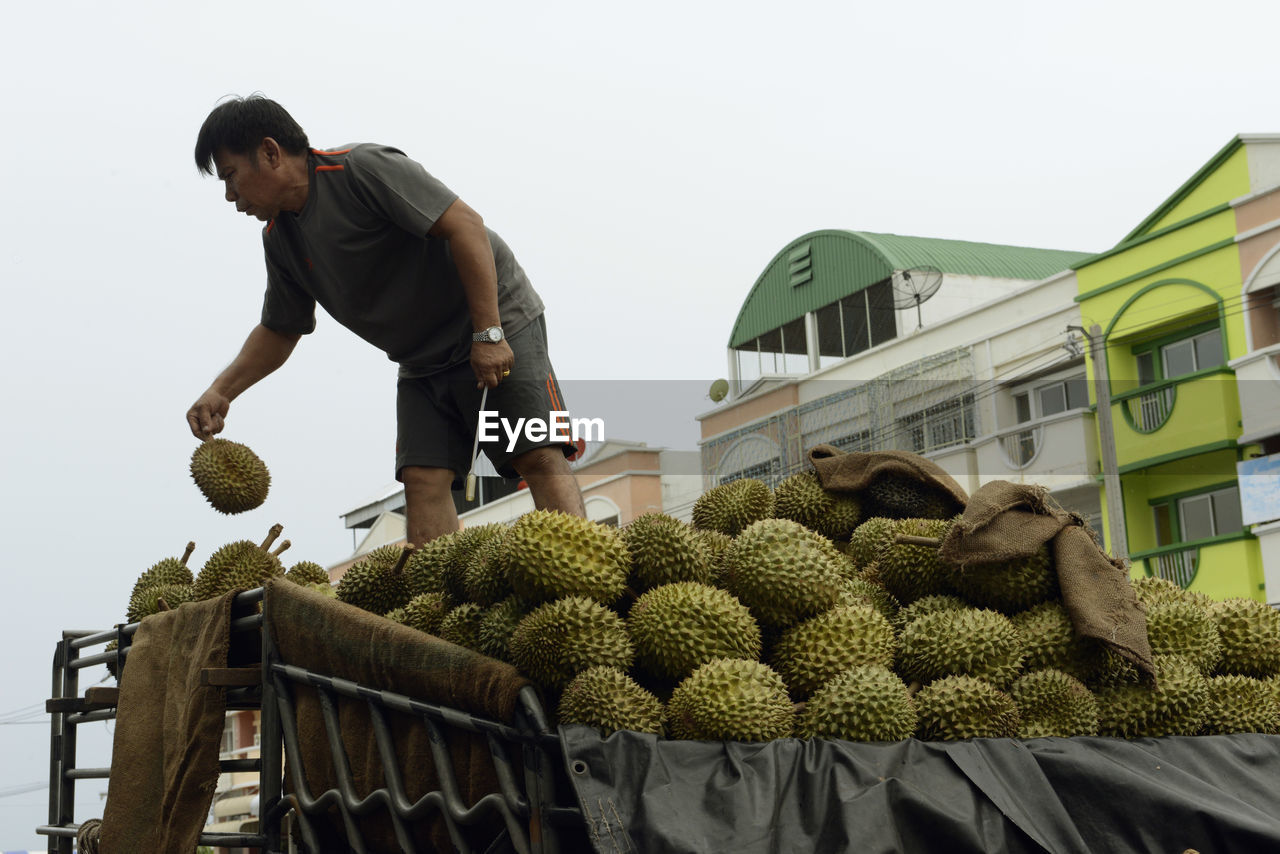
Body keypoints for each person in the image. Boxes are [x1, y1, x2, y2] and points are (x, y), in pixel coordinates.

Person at [185, 95, 585, 544]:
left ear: (271, 152)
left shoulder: (360, 169)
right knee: (421, 478)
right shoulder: (281, 239)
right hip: (420, 358)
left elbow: (465, 225)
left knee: (536, 454)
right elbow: (281, 328)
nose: (230, 196)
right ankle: (434, 605)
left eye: (232, 176)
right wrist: (222, 391)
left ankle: (589, 571)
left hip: (495, 320)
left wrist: (488, 333)